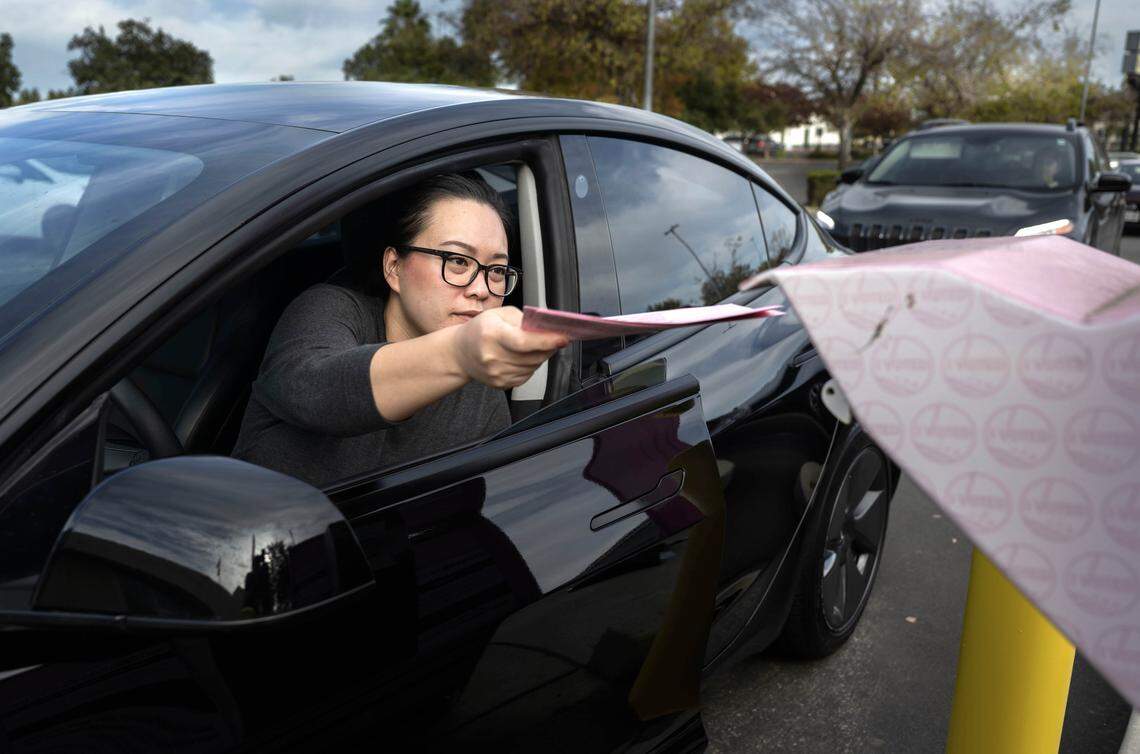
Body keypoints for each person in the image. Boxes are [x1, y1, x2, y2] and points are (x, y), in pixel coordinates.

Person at [232, 172, 568, 487]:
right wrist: (461, 352)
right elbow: (317, 389)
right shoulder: (331, 308)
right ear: (393, 267)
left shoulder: (480, 384)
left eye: (496, 270)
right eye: (457, 261)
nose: (481, 288)